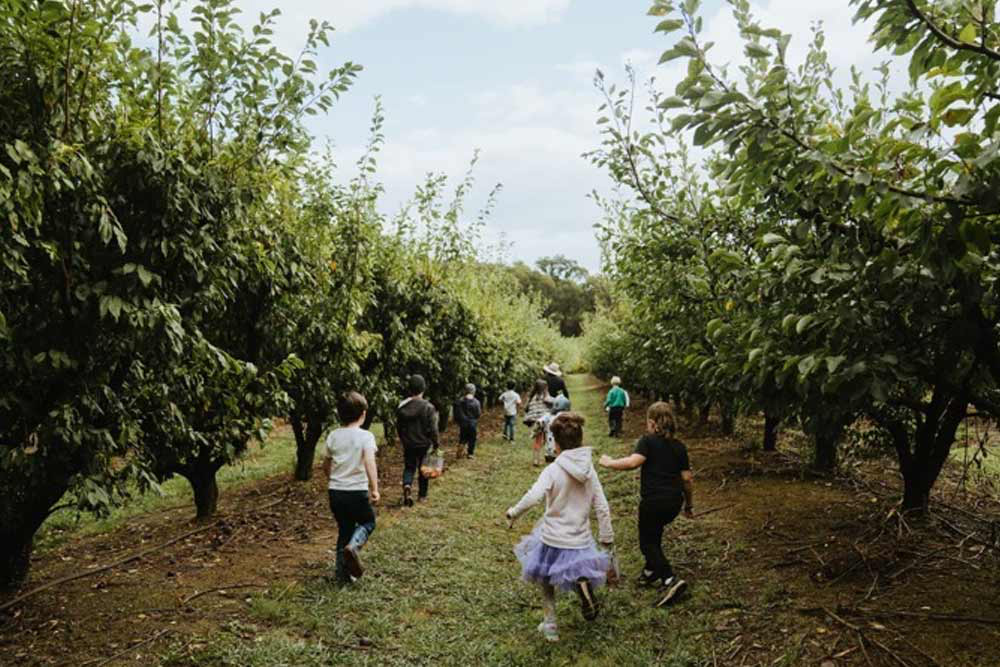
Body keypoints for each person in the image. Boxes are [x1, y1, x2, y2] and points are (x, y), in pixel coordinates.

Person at [506, 412, 614, 642]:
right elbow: (602, 505)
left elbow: (533, 496)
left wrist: (513, 512)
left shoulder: (553, 470)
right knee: (574, 569)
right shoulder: (589, 471)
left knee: (545, 579)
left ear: (554, 442)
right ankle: (582, 587)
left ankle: (551, 624)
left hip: (553, 537)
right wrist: (606, 537)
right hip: (580, 539)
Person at [599, 401, 694, 608]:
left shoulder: (648, 441)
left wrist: (608, 462)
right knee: (655, 533)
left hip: (653, 502)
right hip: (674, 502)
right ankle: (650, 572)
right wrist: (688, 505)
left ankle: (670, 579)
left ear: (652, 423)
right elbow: (687, 479)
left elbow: (633, 462)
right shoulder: (680, 447)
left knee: (647, 543)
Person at [323, 391, 380, 584]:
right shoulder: (366, 437)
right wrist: (374, 488)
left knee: (344, 529)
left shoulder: (333, 436)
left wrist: (333, 479)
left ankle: (342, 574)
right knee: (368, 522)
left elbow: (326, 463)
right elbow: (369, 462)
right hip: (357, 491)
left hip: (336, 492)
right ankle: (354, 547)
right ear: (363, 414)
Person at [396, 374, 440, 507]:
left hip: (408, 443)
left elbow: (399, 427)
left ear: (409, 389)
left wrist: (403, 439)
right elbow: (433, 428)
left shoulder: (402, 407)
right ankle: (422, 495)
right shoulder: (428, 407)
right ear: (423, 389)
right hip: (424, 444)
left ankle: (407, 485)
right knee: (424, 469)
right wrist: (436, 443)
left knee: (409, 467)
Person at [523, 379, 552, 467]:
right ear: (545, 388)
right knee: (548, 439)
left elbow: (526, 408)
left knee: (537, 440)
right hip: (544, 421)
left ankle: (536, 460)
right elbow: (552, 403)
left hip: (535, 422)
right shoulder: (545, 396)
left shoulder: (532, 397)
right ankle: (549, 456)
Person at [538, 391, 571, 464]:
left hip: (548, 452)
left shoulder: (548, 416)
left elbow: (539, 423)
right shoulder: (565, 418)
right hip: (560, 453)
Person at [453, 383, 482, 459]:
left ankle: (460, 450)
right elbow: (478, 414)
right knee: (472, 439)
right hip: (472, 423)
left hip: (463, 423)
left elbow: (457, 414)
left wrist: (459, 421)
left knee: (463, 437)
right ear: (474, 391)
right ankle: (470, 453)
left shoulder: (459, 401)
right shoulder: (476, 402)